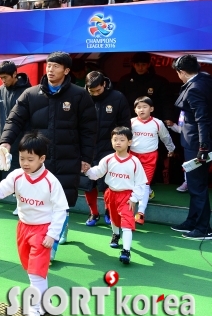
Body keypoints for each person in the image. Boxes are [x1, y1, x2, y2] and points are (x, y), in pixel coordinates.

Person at [0, 51, 97, 261]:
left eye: (56, 66)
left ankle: (59, 231)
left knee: (62, 202)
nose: (50, 70)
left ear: (67, 70)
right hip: (38, 160)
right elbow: (14, 119)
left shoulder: (80, 95)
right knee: (42, 203)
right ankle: (48, 247)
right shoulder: (31, 94)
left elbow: (89, 130)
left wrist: (86, 157)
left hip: (67, 157)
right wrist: (5, 141)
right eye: (49, 65)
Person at [0, 132, 67, 316]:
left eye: (30, 159)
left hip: (43, 231)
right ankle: (43, 303)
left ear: (42, 159)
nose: (25, 163)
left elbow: (62, 209)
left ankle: (35, 310)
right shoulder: (17, 175)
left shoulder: (51, 181)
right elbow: (0, 191)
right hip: (23, 228)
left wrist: (53, 235)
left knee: (36, 272)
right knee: (31, 270)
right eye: (21, 158)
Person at [85, 127, 147, 264]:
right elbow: (97, 173)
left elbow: (141, 183)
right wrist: (87, 171)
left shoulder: (135, 162)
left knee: (127, 224)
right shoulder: (108, 159)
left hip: (127, 197)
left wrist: (134, 198)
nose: (118, 142)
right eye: (115, 140)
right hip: (111, 194)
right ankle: (115, 235)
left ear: (129, 142)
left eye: (122, 140)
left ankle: (126, 251)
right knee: (114, 218)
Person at [170, 55, 212, 239]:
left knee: (197, 185)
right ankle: (193, 220)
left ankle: (203, 228)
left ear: (181, 72)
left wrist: (203, 147)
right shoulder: (205, 79)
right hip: (196, 141)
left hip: (196, 143)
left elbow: (203, 119)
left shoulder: (195, 88)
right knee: (196, 184)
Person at [84, 71, 130, 227]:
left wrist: (121, 146)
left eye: (98, 90)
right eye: (92, 91)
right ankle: (93, 213)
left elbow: (125, 125)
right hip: (87, 146)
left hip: (109, 146)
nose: (95, 94)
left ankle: (109, 212)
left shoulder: (118, 97)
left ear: (104, 84)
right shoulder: (81, 97)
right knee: (88, 183)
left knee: (108, 184)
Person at [0, 60, 31, 214]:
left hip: (23, 141)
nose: (3, 81)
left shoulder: (28, 91)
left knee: (24, 172)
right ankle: (19, 203)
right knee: (10, 174)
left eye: (5, 77)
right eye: (1, 78)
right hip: (4, 143)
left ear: (15, 74)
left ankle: (24, 204)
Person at [130, 96, 175, 225]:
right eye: (139, 107)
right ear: (135, 110)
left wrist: (171, 149)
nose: (142, 110)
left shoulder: (157, 123)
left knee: (144, 184)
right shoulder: (131, 122)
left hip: (150, 157)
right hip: (133, 156)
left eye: (145, 107)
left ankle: (141, 213)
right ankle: (149, 192)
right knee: (135, 183)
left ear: (152, 109)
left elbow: (165, 137)